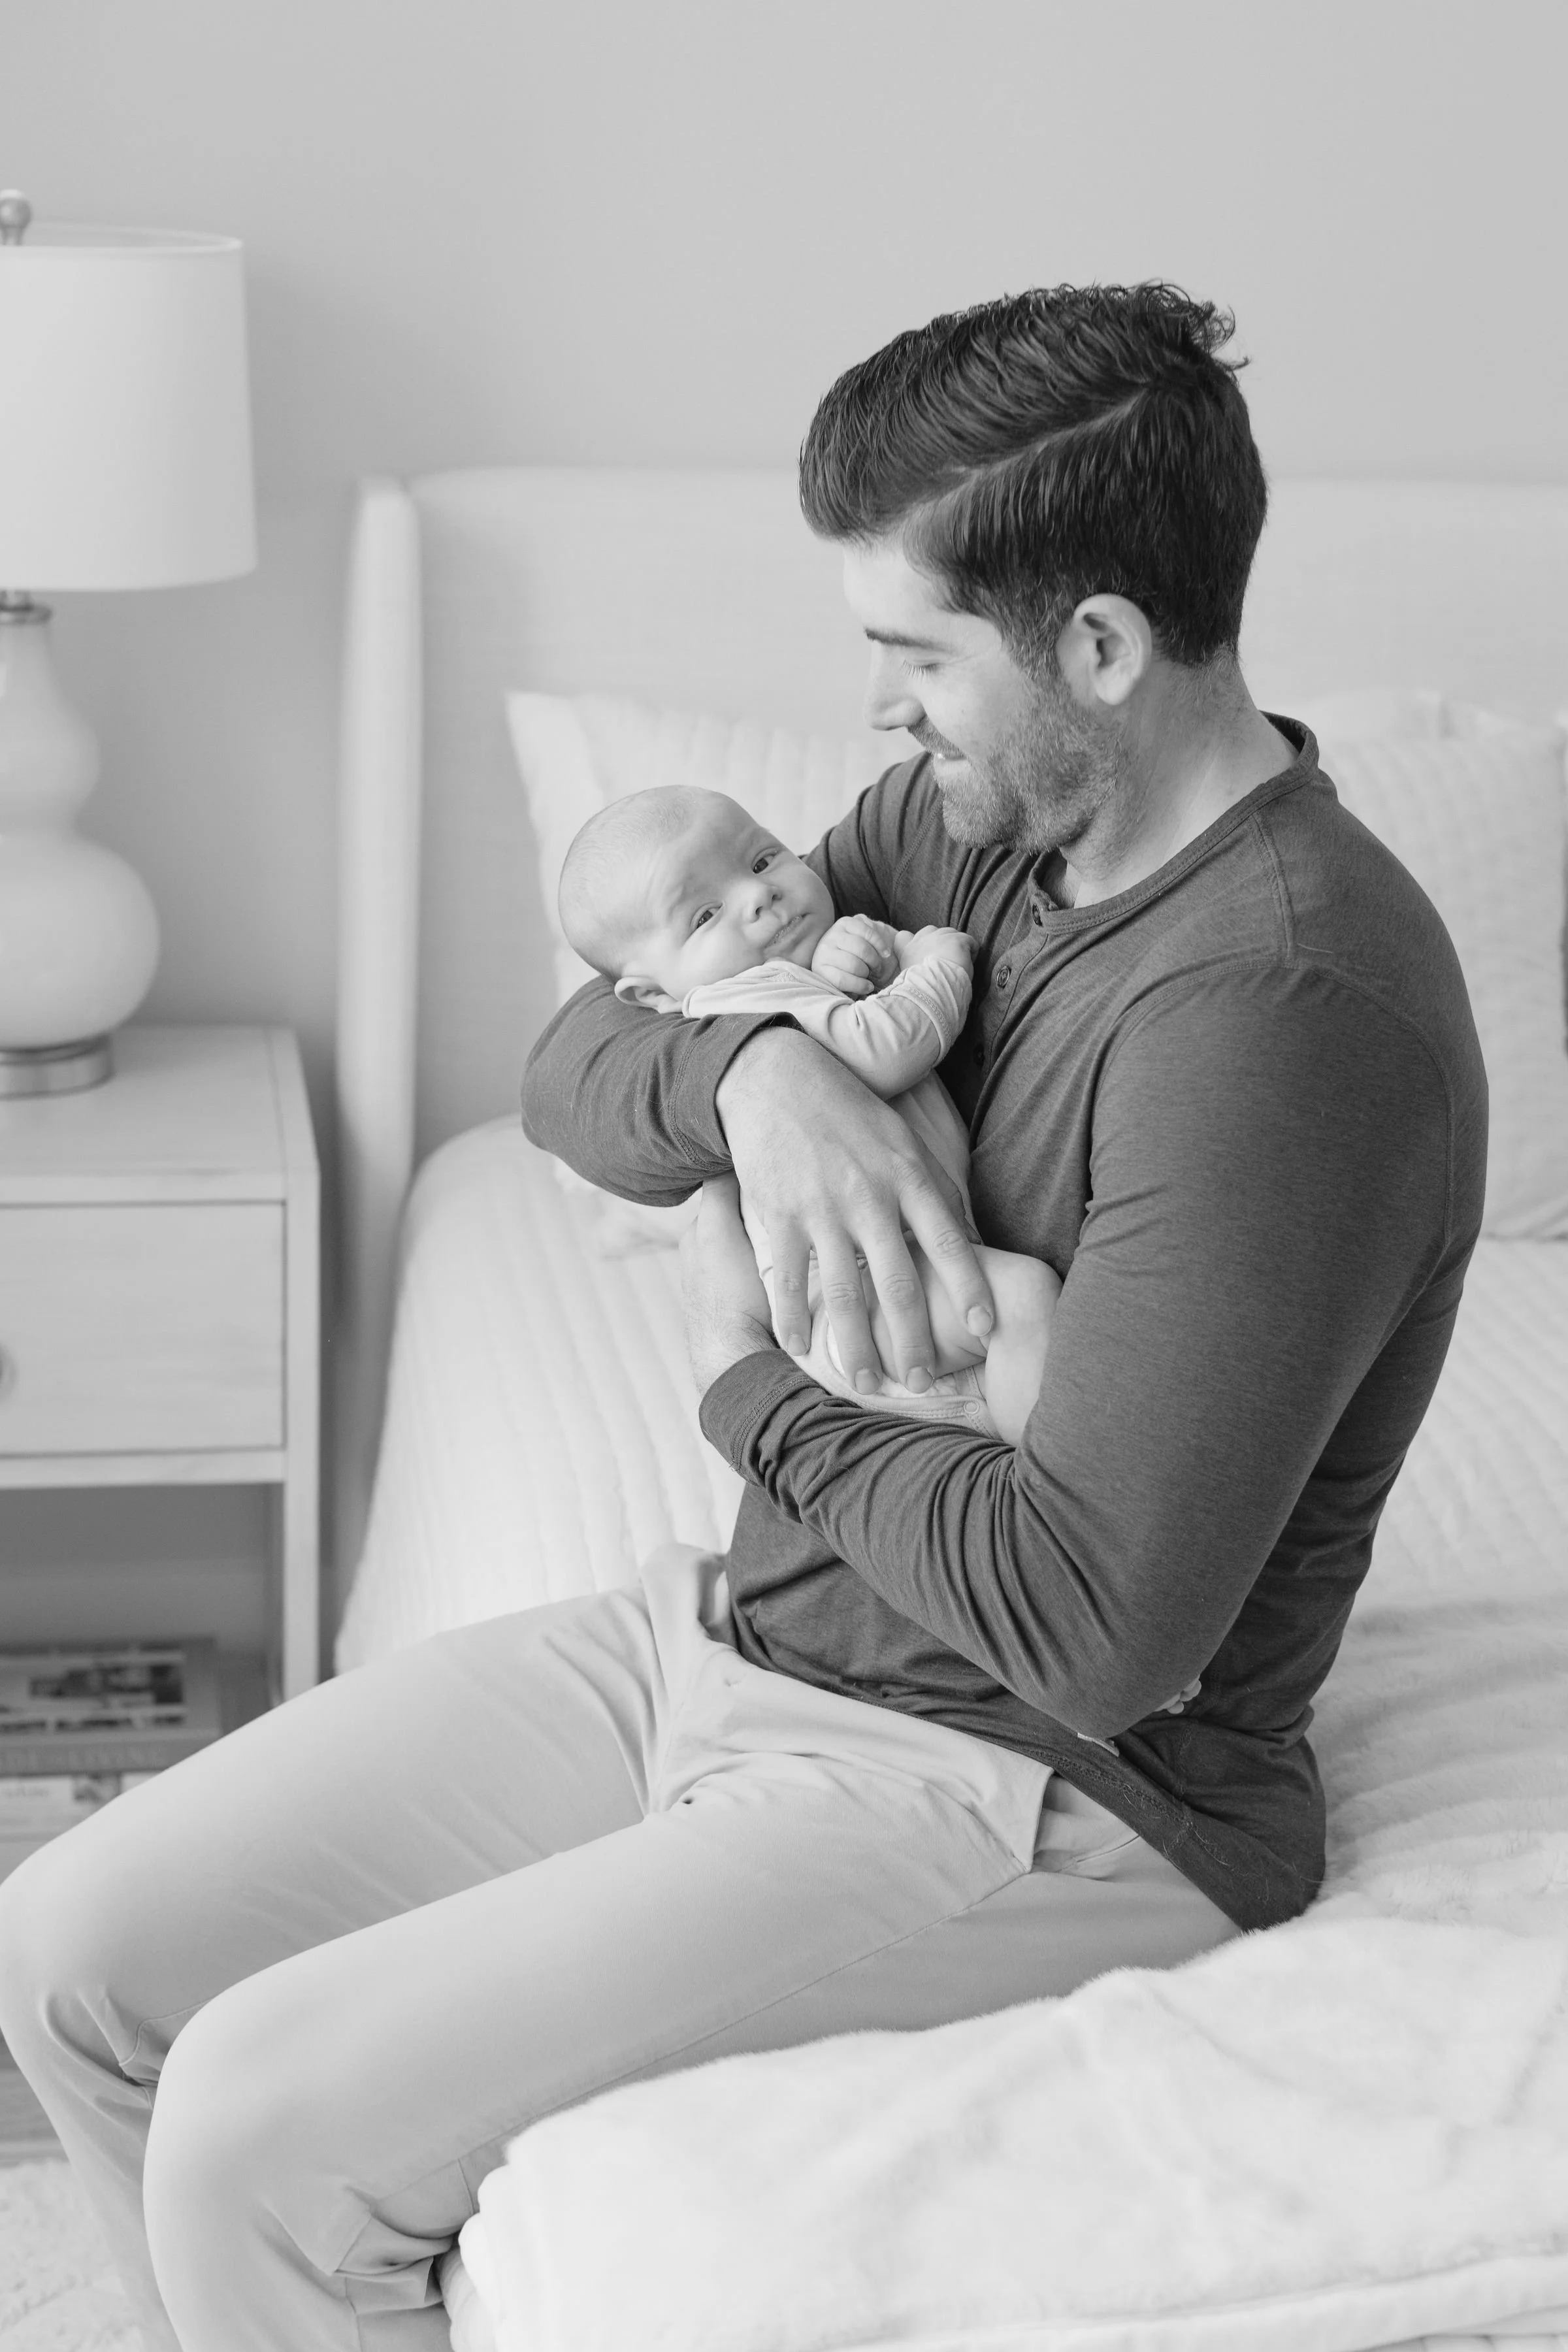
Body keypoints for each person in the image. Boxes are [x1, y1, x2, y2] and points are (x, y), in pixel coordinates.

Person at [0, 283, 1486, 2352]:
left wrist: (736, 1376)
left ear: (1097, 649)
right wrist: (756, 1085)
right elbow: (572, 1070)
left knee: (257, 2127)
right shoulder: (970, 841)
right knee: (64, 1952)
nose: (879, 715)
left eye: (914, 660)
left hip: (1035, 1786)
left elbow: (1098, 1632)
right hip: (730, 1636)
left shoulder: (1278, 1011)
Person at [556, 780, 1062, 1443]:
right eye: (703, 917)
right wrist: (937, 961)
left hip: (882, 1286)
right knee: (1022, 1304)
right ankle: (1051, 1489)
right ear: (652, 993)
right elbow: (883, 1047)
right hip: (859, 1301)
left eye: (764, 860)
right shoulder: (747, 998)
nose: (757, 894)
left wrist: (851, 957)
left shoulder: (783, 977)